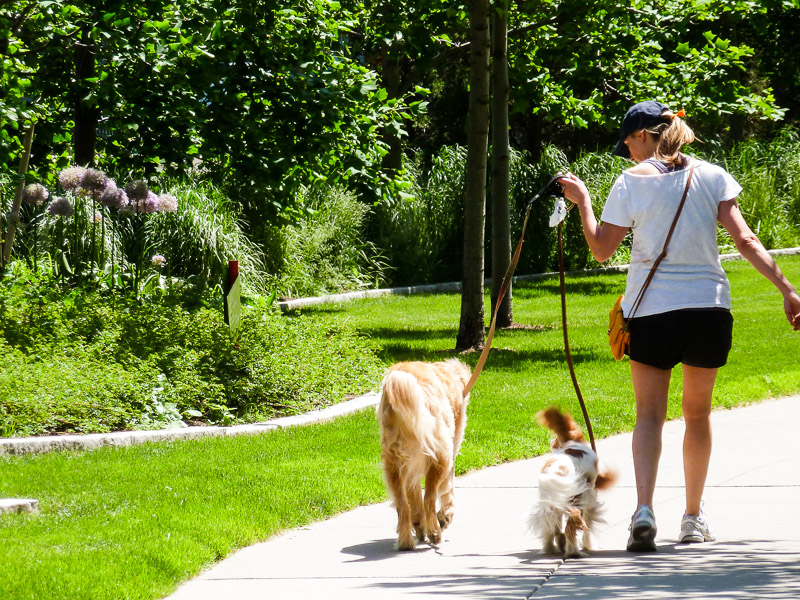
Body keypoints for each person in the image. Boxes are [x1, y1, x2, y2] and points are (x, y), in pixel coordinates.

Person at [558, 100, 800, 552]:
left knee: (649, 415)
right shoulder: (713, 175)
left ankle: (644, 511)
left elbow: (601, 249)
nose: (627, 153)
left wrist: (583, 202)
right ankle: (692, 517)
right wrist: (787, 289)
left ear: (644, 136)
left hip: (652, 311)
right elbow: (745, 239)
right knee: (698, 415)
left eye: (628, 142)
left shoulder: (631, 181)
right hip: (708, 308)